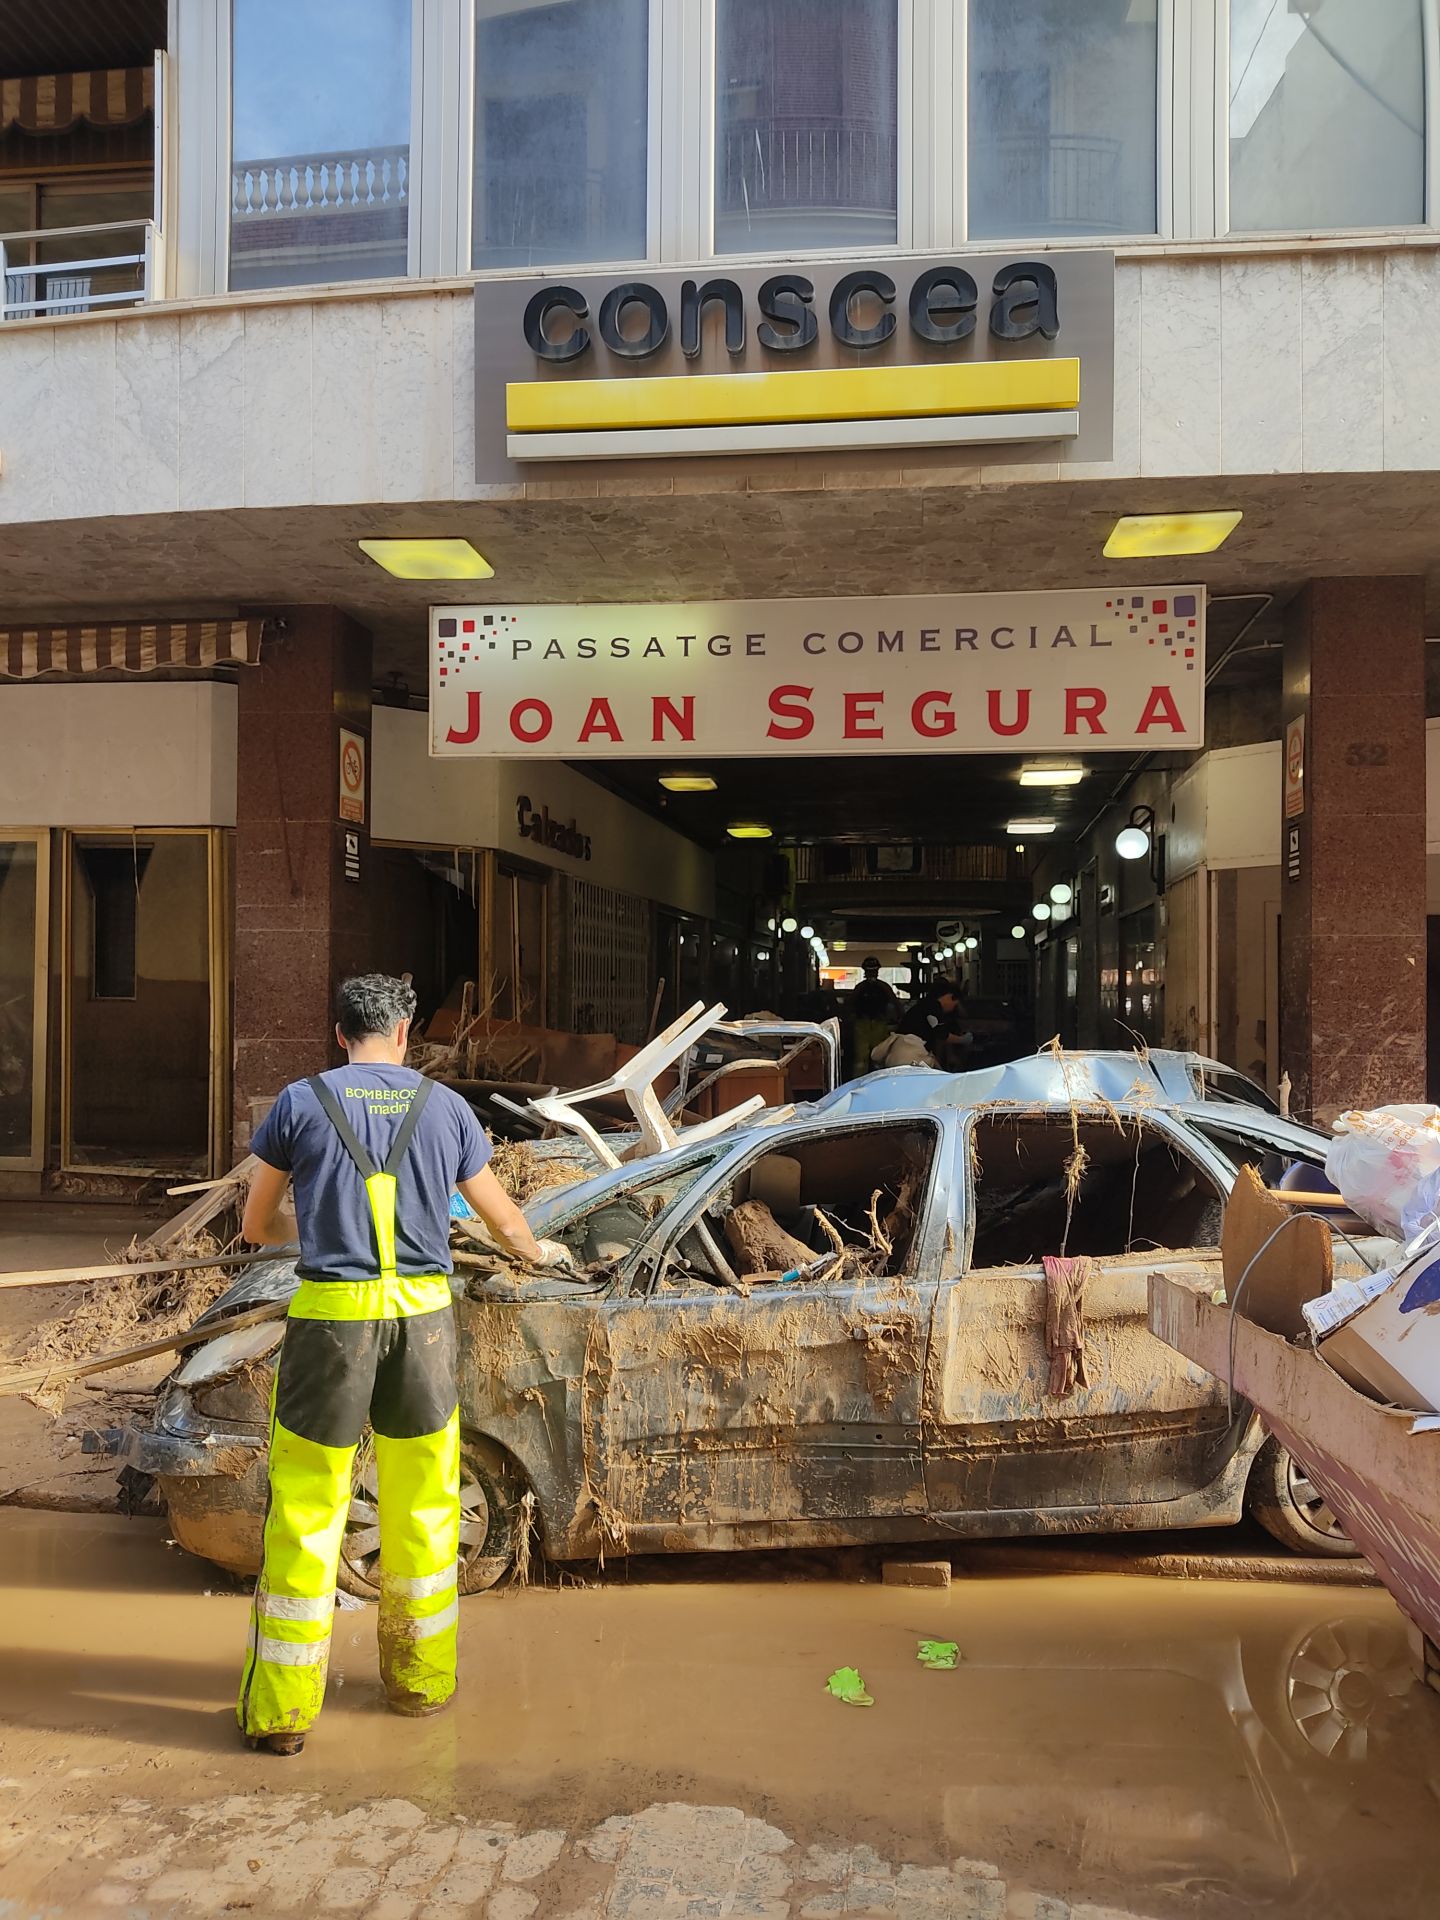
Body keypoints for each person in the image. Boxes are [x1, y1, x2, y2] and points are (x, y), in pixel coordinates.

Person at [237, 973, 565, 1756]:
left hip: (331, 1329)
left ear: (339, 1033)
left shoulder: (300, 1102)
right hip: (422, 1327)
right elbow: (506, 1222)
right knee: (422, 1504)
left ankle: (282, 1716)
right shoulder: (446, 1109)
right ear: (408, 1033)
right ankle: (420, 1686)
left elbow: (256, 1225)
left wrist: (314, 1226)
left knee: (309, 1510)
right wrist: (537, 1252)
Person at [849, 957, 899, 1076]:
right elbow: (850, 1005)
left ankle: (876, 1080)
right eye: (869, 970)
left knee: (878, 1057)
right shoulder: (862, 988)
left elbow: (895, 1004)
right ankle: (861, 1082)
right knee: (862, 1059)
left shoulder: (881, 987)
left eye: (873, 970)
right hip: (863, 1024)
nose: (871, 973)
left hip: (878, 1023)